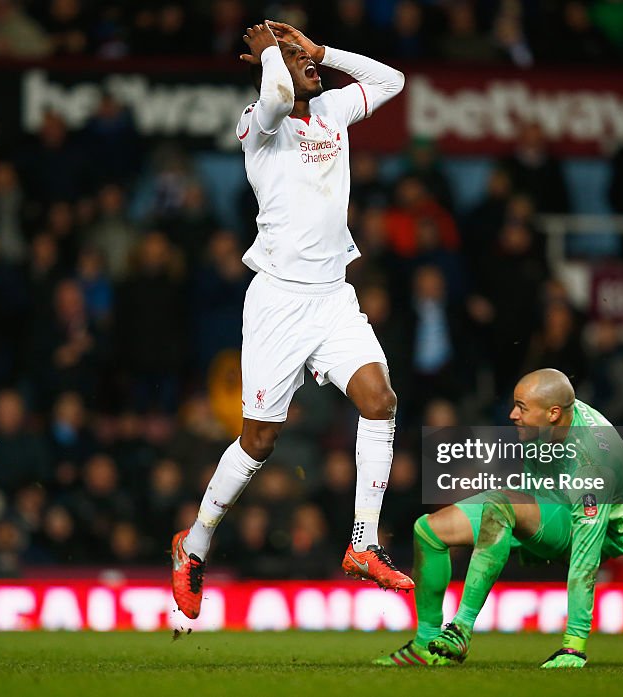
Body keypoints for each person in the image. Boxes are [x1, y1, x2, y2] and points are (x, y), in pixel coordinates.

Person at [171, 20, 410, 620]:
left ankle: (363, 544)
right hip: (279, 300)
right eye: (297, 60)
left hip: (333, 296)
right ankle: (194, 544)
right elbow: (277, 94)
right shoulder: (259, 123)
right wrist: (272, 57)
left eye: (311, 61)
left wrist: (322, 49)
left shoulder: (331, 108)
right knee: (259, 441)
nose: (310, 67)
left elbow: (392, 80)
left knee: (380, 402)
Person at [376, 369, 623, 668]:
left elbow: (586, 559)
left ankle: (461, 629)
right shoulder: (546, 423)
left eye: (521, 408)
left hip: (588, 532)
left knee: (501, 506)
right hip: (549, 503)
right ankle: (425, 644)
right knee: (428, 530)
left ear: (552, 413)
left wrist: (573, 646)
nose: (512, 414)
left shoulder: (593, 464)